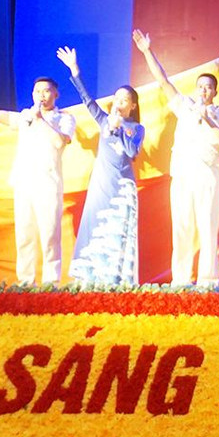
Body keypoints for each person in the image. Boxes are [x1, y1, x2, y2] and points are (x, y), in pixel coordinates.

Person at [132, 30, 219, 286]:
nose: (203, 90)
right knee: (181, 227)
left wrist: (207, 118)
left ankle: (208, 280)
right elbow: (163, 81)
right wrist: (147, 51)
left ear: (214, 91)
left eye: (208, 87)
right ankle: (181, 280)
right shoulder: (185, 105)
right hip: (183, 175)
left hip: (208, 175)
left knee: (208, 228)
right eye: (200, 87)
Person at [0, 73, 76, 284]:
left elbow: (59, 142)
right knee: (24, 235)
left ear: (56, 94)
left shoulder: (64, 118)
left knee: (50, 235)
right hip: (24, 182)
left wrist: (40, 119)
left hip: (48, 183)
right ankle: (26, 282)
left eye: (46, 91)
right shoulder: (25, 116)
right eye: (37, 91)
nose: (41, 95)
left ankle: (51, 283)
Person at [56, 46, 145, 285]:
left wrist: (119, 128)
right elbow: (87, 100)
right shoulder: (103, 120)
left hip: (123, 188)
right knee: (95, 225)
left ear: (133, 106)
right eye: (116, 98)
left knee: (119, 231)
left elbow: (131, 152)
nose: (119, 102)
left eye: (124, 100)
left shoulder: (137, 129)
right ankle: (91, 277)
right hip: (101, 184)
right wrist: (74, 70)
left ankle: (117, 280)